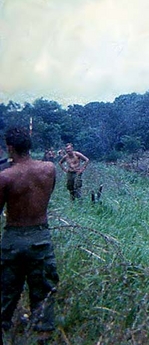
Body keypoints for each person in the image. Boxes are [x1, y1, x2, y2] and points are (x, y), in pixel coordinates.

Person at [0, 126, 59, 342]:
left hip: (13, 237)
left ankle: (5, 329)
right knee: (43, 289)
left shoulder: (5, 176)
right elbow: (47, 193)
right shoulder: (49, 169)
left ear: (10, 147)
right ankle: (42, 333)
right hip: (40, 236)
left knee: (7, 290)